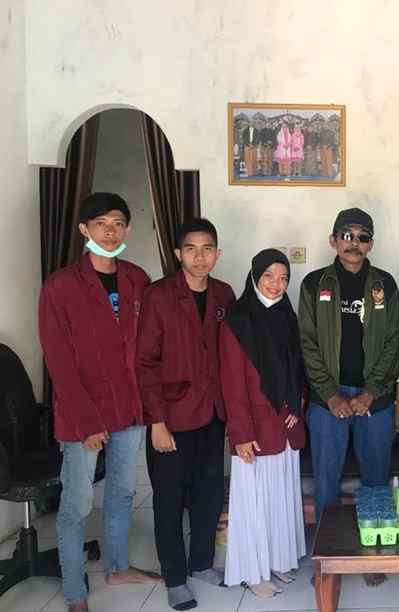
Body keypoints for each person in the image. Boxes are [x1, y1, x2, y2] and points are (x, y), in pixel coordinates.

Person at [38, 193, 157, 612]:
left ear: (127, 229)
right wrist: (87, 422)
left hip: (129, 406)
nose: (110, 231)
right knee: (77, 503)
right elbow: (59, 361)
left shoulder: (137, 279)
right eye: (101, 223)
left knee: (122, 491)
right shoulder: (61, 287)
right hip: (82, 413)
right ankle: (75, 592)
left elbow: (146, 347)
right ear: (83, 229)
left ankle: (117, 567)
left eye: (118, 223)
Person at [298, 208, 399, 587]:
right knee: (327, 482)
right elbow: (307, 342)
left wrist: (371, 391)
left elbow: (395, 341)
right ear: (333, 240)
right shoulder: (314, 283)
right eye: (347, 235)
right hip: (328, 400)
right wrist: (330, 395)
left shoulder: (385, 284)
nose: (354, 243)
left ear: (371, 244)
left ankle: (373, 557)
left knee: (375, 481)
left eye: (362, 236)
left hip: (375, 399)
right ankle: (328, 563)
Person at [136, 218, 235, 611]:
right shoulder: (159, 295)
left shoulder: (224, 294)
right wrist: (156, 422)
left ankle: (202, 563)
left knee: (209, 493)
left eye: (207, 248)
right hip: (172, 416)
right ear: (178, 254)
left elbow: (231, 356)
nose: (199, 257)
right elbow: (145, 363)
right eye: (191, 249)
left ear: (218, 254)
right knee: (169, 500)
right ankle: (175, 578)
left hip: (212, 413)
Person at [220, 249, 307, 598]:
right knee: (253, 501)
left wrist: (297, 405)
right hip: (254, 427)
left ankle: (276, 560)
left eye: (283, 278)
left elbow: (297, 368)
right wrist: (240, 434)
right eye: (269, 276)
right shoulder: (238, 319)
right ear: (255, 276)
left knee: (280, 497)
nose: (276, 284)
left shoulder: (286, 314)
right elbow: (232, 382)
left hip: (285, 423)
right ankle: (253, 572)